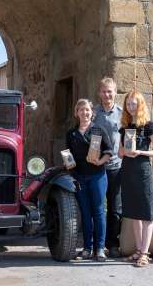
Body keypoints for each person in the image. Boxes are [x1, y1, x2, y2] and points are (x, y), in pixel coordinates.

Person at [118, 90, 153, 268]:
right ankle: (138, 250)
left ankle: (145, 253)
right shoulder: (124, 128)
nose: (130, 107)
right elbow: (120, 153)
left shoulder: (149, 126)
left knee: (146, 214)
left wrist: (140, 152)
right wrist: (124, 152)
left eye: (133, 104)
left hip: (143, 172)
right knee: (133, 214)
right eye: (128, 104)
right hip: (127, 172)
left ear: (140, 104)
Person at [65, 99, 113, 261]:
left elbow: (108, 151)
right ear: (76, 113)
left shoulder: (99, 130)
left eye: (87, 110)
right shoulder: (71, 134)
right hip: (79, 177)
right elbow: (69, 155)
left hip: (97, 176)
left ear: (92, 112)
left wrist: (100, 161)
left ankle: (99, 248)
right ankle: (87, 248)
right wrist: (68, 164)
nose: (84, 113)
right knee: (85, 213)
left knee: (98, 212)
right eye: (81, 110)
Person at [92, 77, 123, 258]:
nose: (107, 94)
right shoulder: (93, 113)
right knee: (97, 207)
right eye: (104, 91)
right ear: (99, 93)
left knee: (115, 208)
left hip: (115, 167)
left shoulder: (121, 113)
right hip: (96, 166)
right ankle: (98, 245)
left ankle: (113, 244)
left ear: (115, 92)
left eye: (110, 91)